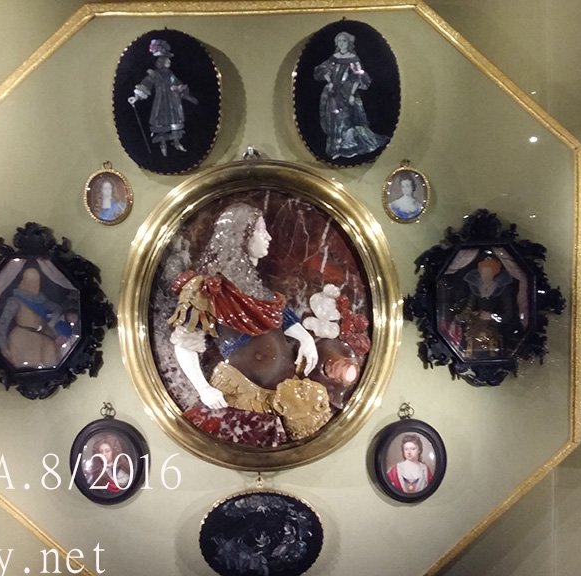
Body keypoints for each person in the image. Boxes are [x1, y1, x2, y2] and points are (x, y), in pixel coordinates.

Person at [168, 203, 322, 423]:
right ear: (241, 236)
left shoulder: (256, 287)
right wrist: (203, 388)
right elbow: (185, 342)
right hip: (238, 397)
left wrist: (305, 338)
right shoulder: (206, 289)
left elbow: (278, 315)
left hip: (279, 396)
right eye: (261, 230)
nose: (268, 237)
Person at [313, 31, 388, 160]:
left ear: (349, 43)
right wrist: (330, 81)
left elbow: (358, 77)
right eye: (339, 41)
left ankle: (346, 148)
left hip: (347, 92)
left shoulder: (353, 58)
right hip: (333, 93)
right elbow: (323, 69)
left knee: (346, 120)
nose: (341, 44)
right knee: (333, 120)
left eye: (344, 41)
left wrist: (352, 94)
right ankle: (335, 149)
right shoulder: (334, 57)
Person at [127, 39, 198, 157]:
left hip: (174, 102)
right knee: (161, 123)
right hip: (162, 102)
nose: (169, 61)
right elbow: (145, 85)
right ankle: (162, 146)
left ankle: (177, 143)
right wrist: (135, 97)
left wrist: (179, 88)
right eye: (167, 59)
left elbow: (176, 82)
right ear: (161, 61)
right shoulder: (155, 74)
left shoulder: (170, 74)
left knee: (175, 122)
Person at [0, 267, 72, 369]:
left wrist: (53, 321)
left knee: (51, 357)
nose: (35, 285)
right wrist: (3, 347)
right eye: (32, 281)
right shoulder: (15, 301)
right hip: (21, 338)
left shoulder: (41, 299)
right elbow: (3, 324)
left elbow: (57, 308)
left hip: (41, 335)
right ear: (24, 282)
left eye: (37, 281)